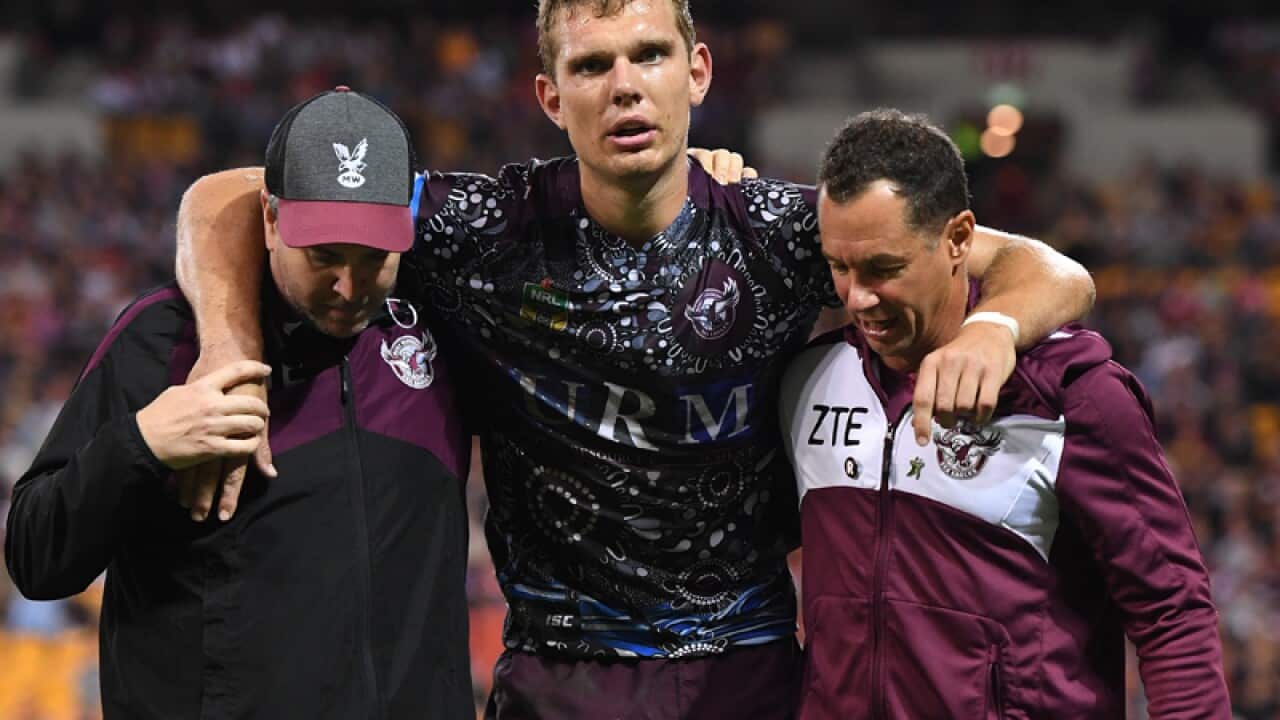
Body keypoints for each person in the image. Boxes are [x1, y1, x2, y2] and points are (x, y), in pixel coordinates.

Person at [175, 2, 1095, 717]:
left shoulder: (778, 231)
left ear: (696, 71)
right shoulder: (482, 227)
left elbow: (1047, 269)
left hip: (749, 673)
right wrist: (226, 350)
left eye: (649, 56)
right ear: (550, 96)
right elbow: (228, 196)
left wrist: (992, 329)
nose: (624, 87)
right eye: (591, 65)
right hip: (559, 675)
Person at [5, 88, 473, 719]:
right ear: (271, 217)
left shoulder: (439, 327)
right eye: (324, 256)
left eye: (372, 259)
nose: (346, 285)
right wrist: (140, 445)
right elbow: (37, 560)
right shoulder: (163, 341)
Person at [779, 109, 1230, 719]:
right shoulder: (807, 380)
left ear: (960, 239)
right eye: (840, 267)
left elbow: (1171, 611)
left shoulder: (1070, 396)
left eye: (885, 269)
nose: (858, 298)